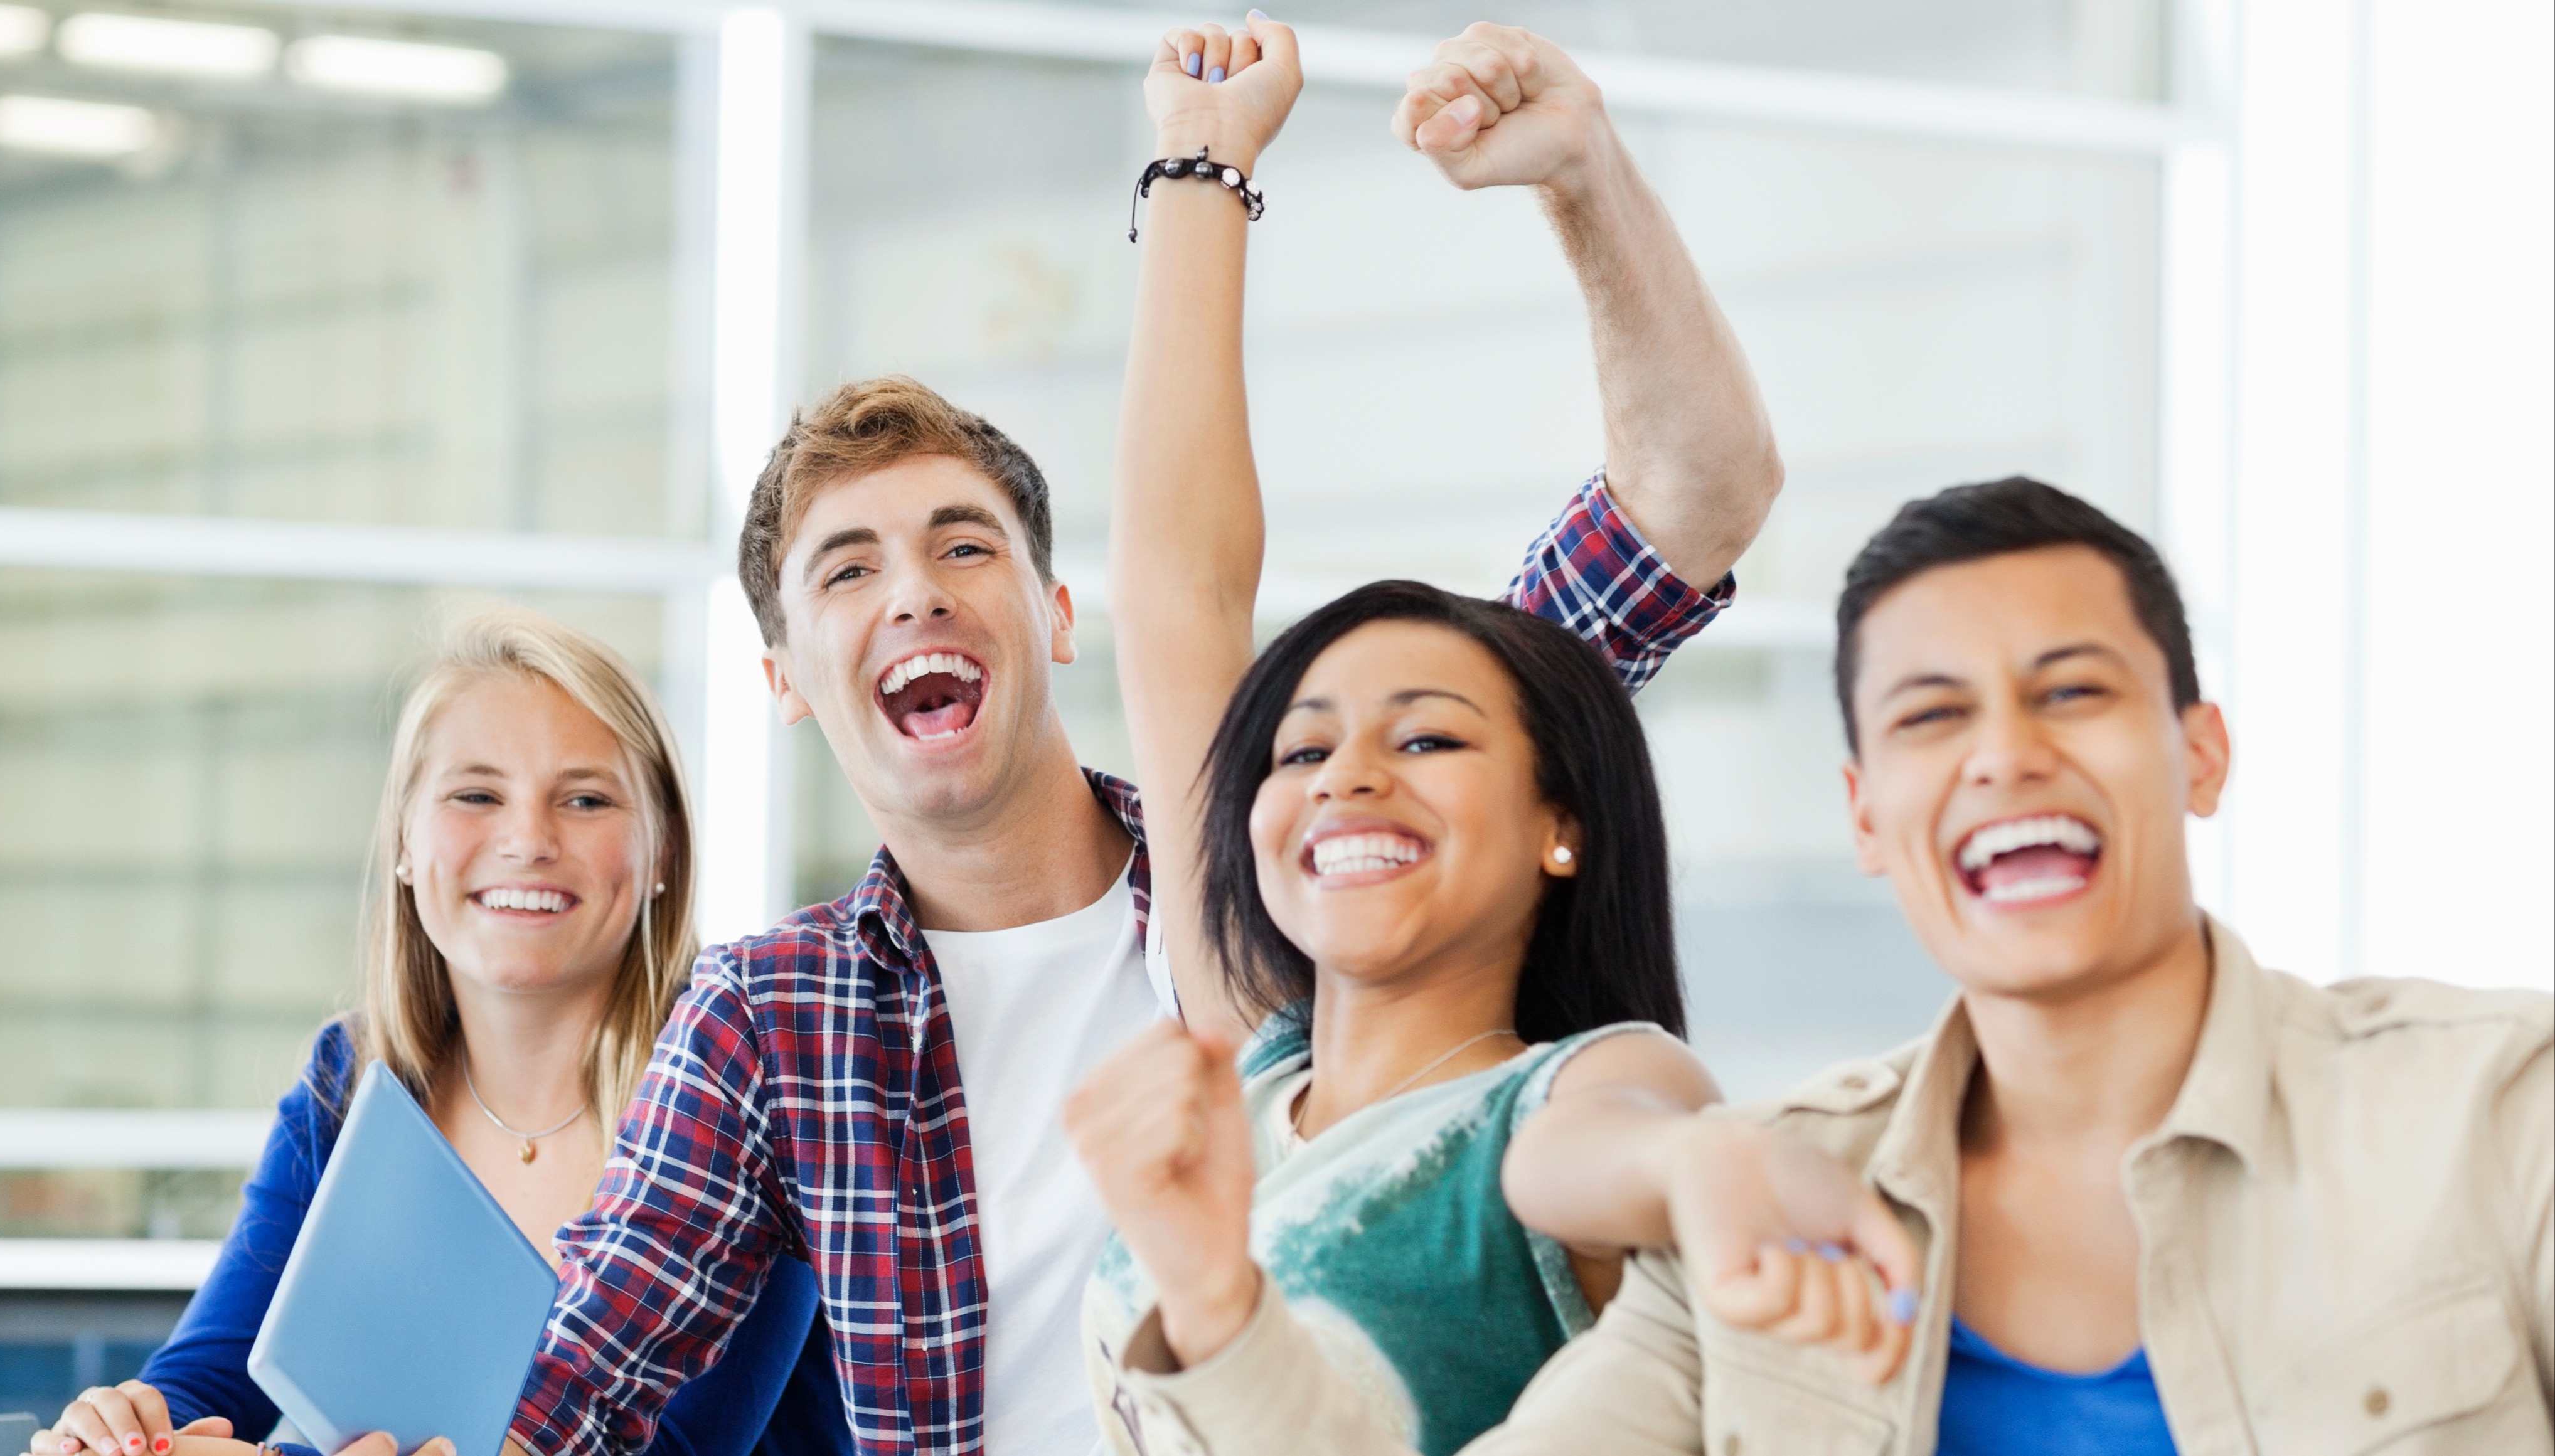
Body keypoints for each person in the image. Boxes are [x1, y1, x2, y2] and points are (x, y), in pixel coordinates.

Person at [501, 13, 1790, 1455]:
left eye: (959, 545)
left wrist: (1571, 178)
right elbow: (573, 1387)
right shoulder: (770, 1016)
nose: (913, 589)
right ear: (784, 674)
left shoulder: (1298, 870)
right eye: (847, 571)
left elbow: (1681, 502)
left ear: (1058, 613)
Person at [1089, 476, 2555, 1455]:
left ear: (2200, 752)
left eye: (2071, 691)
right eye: (1928, 717)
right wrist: (1209, 1297)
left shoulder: (2496, 1118)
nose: (2002, 754)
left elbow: (1571, 1139)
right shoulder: (1756, 1241)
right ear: (1862, 815)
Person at [1057, 16, 1846, 1455]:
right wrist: (1195, 161)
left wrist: (1584, 175)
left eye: (1422, 742)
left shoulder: (1558, 1100)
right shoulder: (1253, 1052)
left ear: (1562, 821)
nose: (1344, 771)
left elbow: (1617, 1150)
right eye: (1299, 749)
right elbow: (1173, 598)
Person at [30, 608, 849, 1456]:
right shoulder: (348, 1081)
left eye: (584, 798)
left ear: (664, 850)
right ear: (405, 843)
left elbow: (673, 1447)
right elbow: (203, 1380)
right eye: (476, 795)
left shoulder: (744, 1076)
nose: (528, 839)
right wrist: (125, 1430)